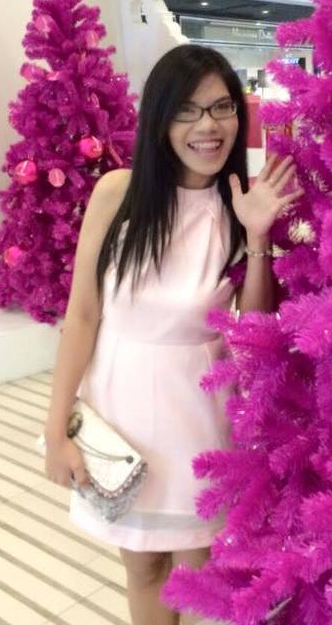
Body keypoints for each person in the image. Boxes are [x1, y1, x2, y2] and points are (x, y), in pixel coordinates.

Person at [43, 44, 303, 625]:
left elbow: (253, 328)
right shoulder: (117, 194)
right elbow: (82, 316)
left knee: (196, 574)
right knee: (142, 568)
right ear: (160, 120)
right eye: (187, 110)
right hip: (120, 410)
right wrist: (55, 428)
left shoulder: (239, 205)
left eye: (221, 107)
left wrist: (257, 236)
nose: (207, 126)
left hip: (198, 417)